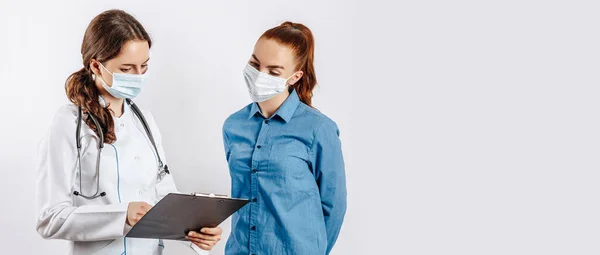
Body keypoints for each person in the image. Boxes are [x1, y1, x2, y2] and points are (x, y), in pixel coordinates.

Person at [35, 9, 221, 255]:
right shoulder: (68, 123)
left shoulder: (145, 122)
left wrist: (196, 232)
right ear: (96, 65)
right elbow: (50, 218)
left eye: (143, 66)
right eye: (126, 68)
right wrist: (121, 216)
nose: (138, 76)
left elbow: (166, 199)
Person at [222, 21, 347, 255]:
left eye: (273, 71)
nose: (260, 75)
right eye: (255, 64)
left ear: (294, 76)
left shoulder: (319, 129)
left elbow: (333, 206)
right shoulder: (233, 126)